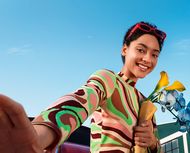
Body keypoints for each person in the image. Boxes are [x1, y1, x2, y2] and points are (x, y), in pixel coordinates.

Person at [0, 21, 166, 153]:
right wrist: (38, 137)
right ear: (124, 49)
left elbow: (157, 149)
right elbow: (80, 102)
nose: (147, 59)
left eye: (154, 55)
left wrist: (152, 143)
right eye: (141, 50)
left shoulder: (147, 105)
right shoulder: (109, 80)